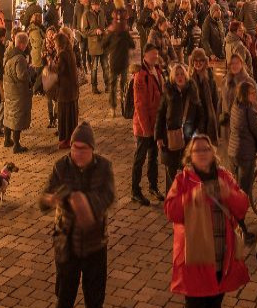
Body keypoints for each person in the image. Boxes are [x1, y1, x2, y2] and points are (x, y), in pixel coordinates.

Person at [163, 134, 250, 307]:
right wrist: (190, 198)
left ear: (213, 153)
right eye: (197, 150)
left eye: (206, 148)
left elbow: (242, 208)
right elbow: (171, 212)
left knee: (215, 302)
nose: (202, 153)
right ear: (190, 155)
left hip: (221, 259)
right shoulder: (182, 180)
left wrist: (229, 194)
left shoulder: (224, 177)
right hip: (195, 263)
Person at [40, 123, 116, 308]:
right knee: (65, 297)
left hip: (95, 243)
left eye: (84, 149)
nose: (78, 153)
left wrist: (85, 202)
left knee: (94, 298)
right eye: (75, 148)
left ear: (92, 149)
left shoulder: (104, 167)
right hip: (66, 243)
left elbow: (108, 197)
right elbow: (44, 201)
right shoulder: (60, 167)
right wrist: (50, 199)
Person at [227, 80, 257, 244]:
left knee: (235, 190)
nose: (255, 95)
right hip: (245, 155)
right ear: (245, 95)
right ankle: (241, 229)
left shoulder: (236, 106)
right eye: (252, 93)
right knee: (243, 194)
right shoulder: (249, 111)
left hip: (233, 153)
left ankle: (233, 224)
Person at [156, 63, 201, 193]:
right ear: (172, 77)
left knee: (186, 166)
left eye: (182, 74)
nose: (180, 77)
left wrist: (197, 131)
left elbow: (199, 113)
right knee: (171, 168)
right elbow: (160, 114)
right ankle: (171, 197)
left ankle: (184, 195)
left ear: (186, 75)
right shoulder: (168, 91)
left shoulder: (192, 91)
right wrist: (158, 136)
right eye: (177, 74)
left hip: (188, 136)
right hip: (171, 136)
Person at [131, 45, 165, 205]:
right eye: (152, 55)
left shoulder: (157, 70)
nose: (155, 57)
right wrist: (146, 129)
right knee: (140, 158)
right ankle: (135, 190)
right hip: (144, 126)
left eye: (156, 55)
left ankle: (153, 186)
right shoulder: (140, 75)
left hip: (155, 123)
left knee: (153, 157)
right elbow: (140, 105)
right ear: (145, 56)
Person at [2, 31, 37, 154]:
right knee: (17, 116)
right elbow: (22, 76)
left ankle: (7, 139)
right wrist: (31, 71)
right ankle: (16, 145)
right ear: (22, 44)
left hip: (9, 89)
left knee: (8, 114)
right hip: (18, 91)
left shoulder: (8, 53)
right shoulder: (20, 58)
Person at [102, 15, 134, 116]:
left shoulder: (111, 33)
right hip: (124, 63)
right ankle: (123, 106)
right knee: (123, 86)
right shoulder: (126, 34)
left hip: (114, 63)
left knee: (113, 86)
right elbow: (133, 45)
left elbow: (103, 45)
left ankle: (113, 108)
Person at [187, 48, 220, 145]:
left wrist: (216, 115)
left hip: (208, 115)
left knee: (208, 142)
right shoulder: (189, 78)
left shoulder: (210, 77)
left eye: (200, 60)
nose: (198, 63)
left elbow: (215, 98)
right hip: (195, 117)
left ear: (204, 62)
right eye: (195, 61)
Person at [54, 30, 80, 148]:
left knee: (64, 115)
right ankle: (72, 137)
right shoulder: (70, 52)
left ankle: (66, 139)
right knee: (71, 115)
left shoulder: (63, 54)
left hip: (65, 90)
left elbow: (59, 71)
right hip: (72, 90)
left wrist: (51, 65)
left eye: (55, 43)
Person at [80, 0, 109, 94]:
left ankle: (108, 86)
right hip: (93, 44)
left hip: (103, 43)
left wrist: (106, 30)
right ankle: (94, 87)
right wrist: (95, 31)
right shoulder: (86, 14)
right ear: (91, 5)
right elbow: (84, 32)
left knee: (105, 66)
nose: (96, 6)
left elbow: (105, 24)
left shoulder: (101, 12)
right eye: (94, 5)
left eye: (97, 5)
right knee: (94, 67)